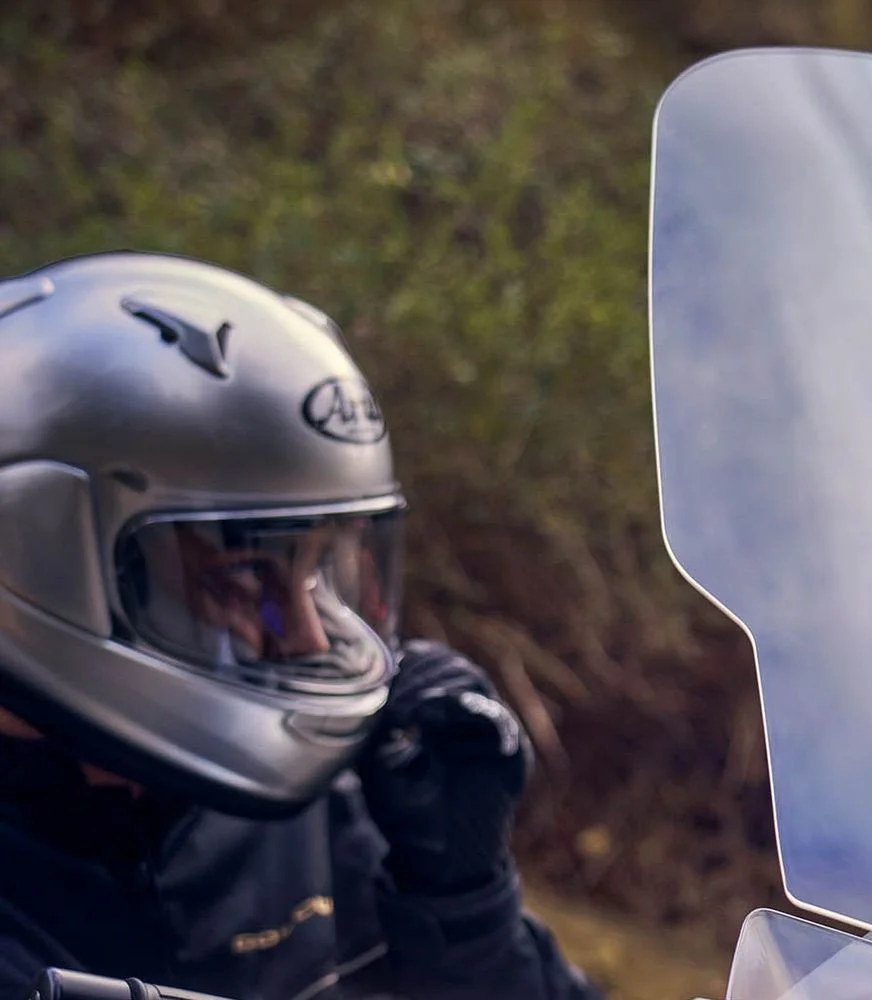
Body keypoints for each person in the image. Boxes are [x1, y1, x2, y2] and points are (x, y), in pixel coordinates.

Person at [0, 250, 603, 1000]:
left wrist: (463, 904)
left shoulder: (319, 818)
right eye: (246, 576)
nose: (312, 639)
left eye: (319, 572)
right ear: (43, 556)